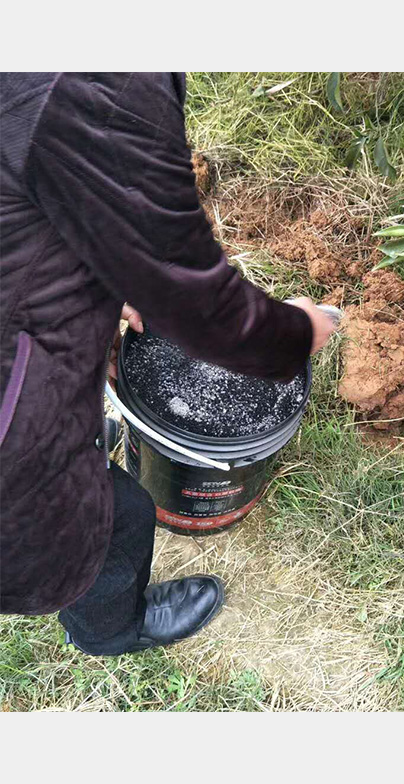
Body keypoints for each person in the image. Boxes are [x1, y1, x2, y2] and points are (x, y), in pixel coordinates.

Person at [0, 72, 335, 656]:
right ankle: (111, 629)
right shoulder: (89, 81)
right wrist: (298, 332)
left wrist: (101, 283)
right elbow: (202, 307)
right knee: (119, 518)